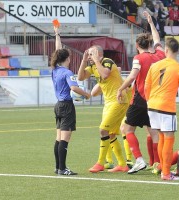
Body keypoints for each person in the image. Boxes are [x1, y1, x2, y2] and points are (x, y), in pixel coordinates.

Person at [117, 11, 165, 174]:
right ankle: (158, 164)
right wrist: (151, 23)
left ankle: (139, 160)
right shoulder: (160, 55)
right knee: (153, 132)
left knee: (126, 129)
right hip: (156, 100)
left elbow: (132, 76)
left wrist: (121, 88)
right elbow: (158, 39)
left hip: (140, 99)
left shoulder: (139, 59)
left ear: (137, 46)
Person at [144, 37, 179, 180]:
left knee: (161, 137)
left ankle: (163, 168)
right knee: (168, 138)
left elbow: (146, 87)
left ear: (166, 50)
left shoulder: (154, 66)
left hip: (152, 106)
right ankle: (166, 173)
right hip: (166, 107)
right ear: (177, 51)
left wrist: (150, 101)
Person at [77, 45, 131, 173]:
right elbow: (80, 77)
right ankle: (122, 164)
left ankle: (100, 163)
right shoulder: (92, 65)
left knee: (103, 130)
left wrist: (95, 60)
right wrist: (84, 61)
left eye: (91, 54)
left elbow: (105, 75)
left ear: (98, 54)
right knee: (110, 133)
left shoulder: (107, 61)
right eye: (88, 55)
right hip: (109, 103)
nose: (89, 57)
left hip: (118, 100)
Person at [51, 26, 91, 175]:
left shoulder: (55, 69)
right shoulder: (67, 72)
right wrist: (86, 94)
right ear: (67, 59)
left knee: (58, 138)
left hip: (58, 105)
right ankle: (62, 168)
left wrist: (57, 34)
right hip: (67, 106)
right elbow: (74, 88)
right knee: (65, 139)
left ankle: (58, 167)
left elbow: (57, 50)